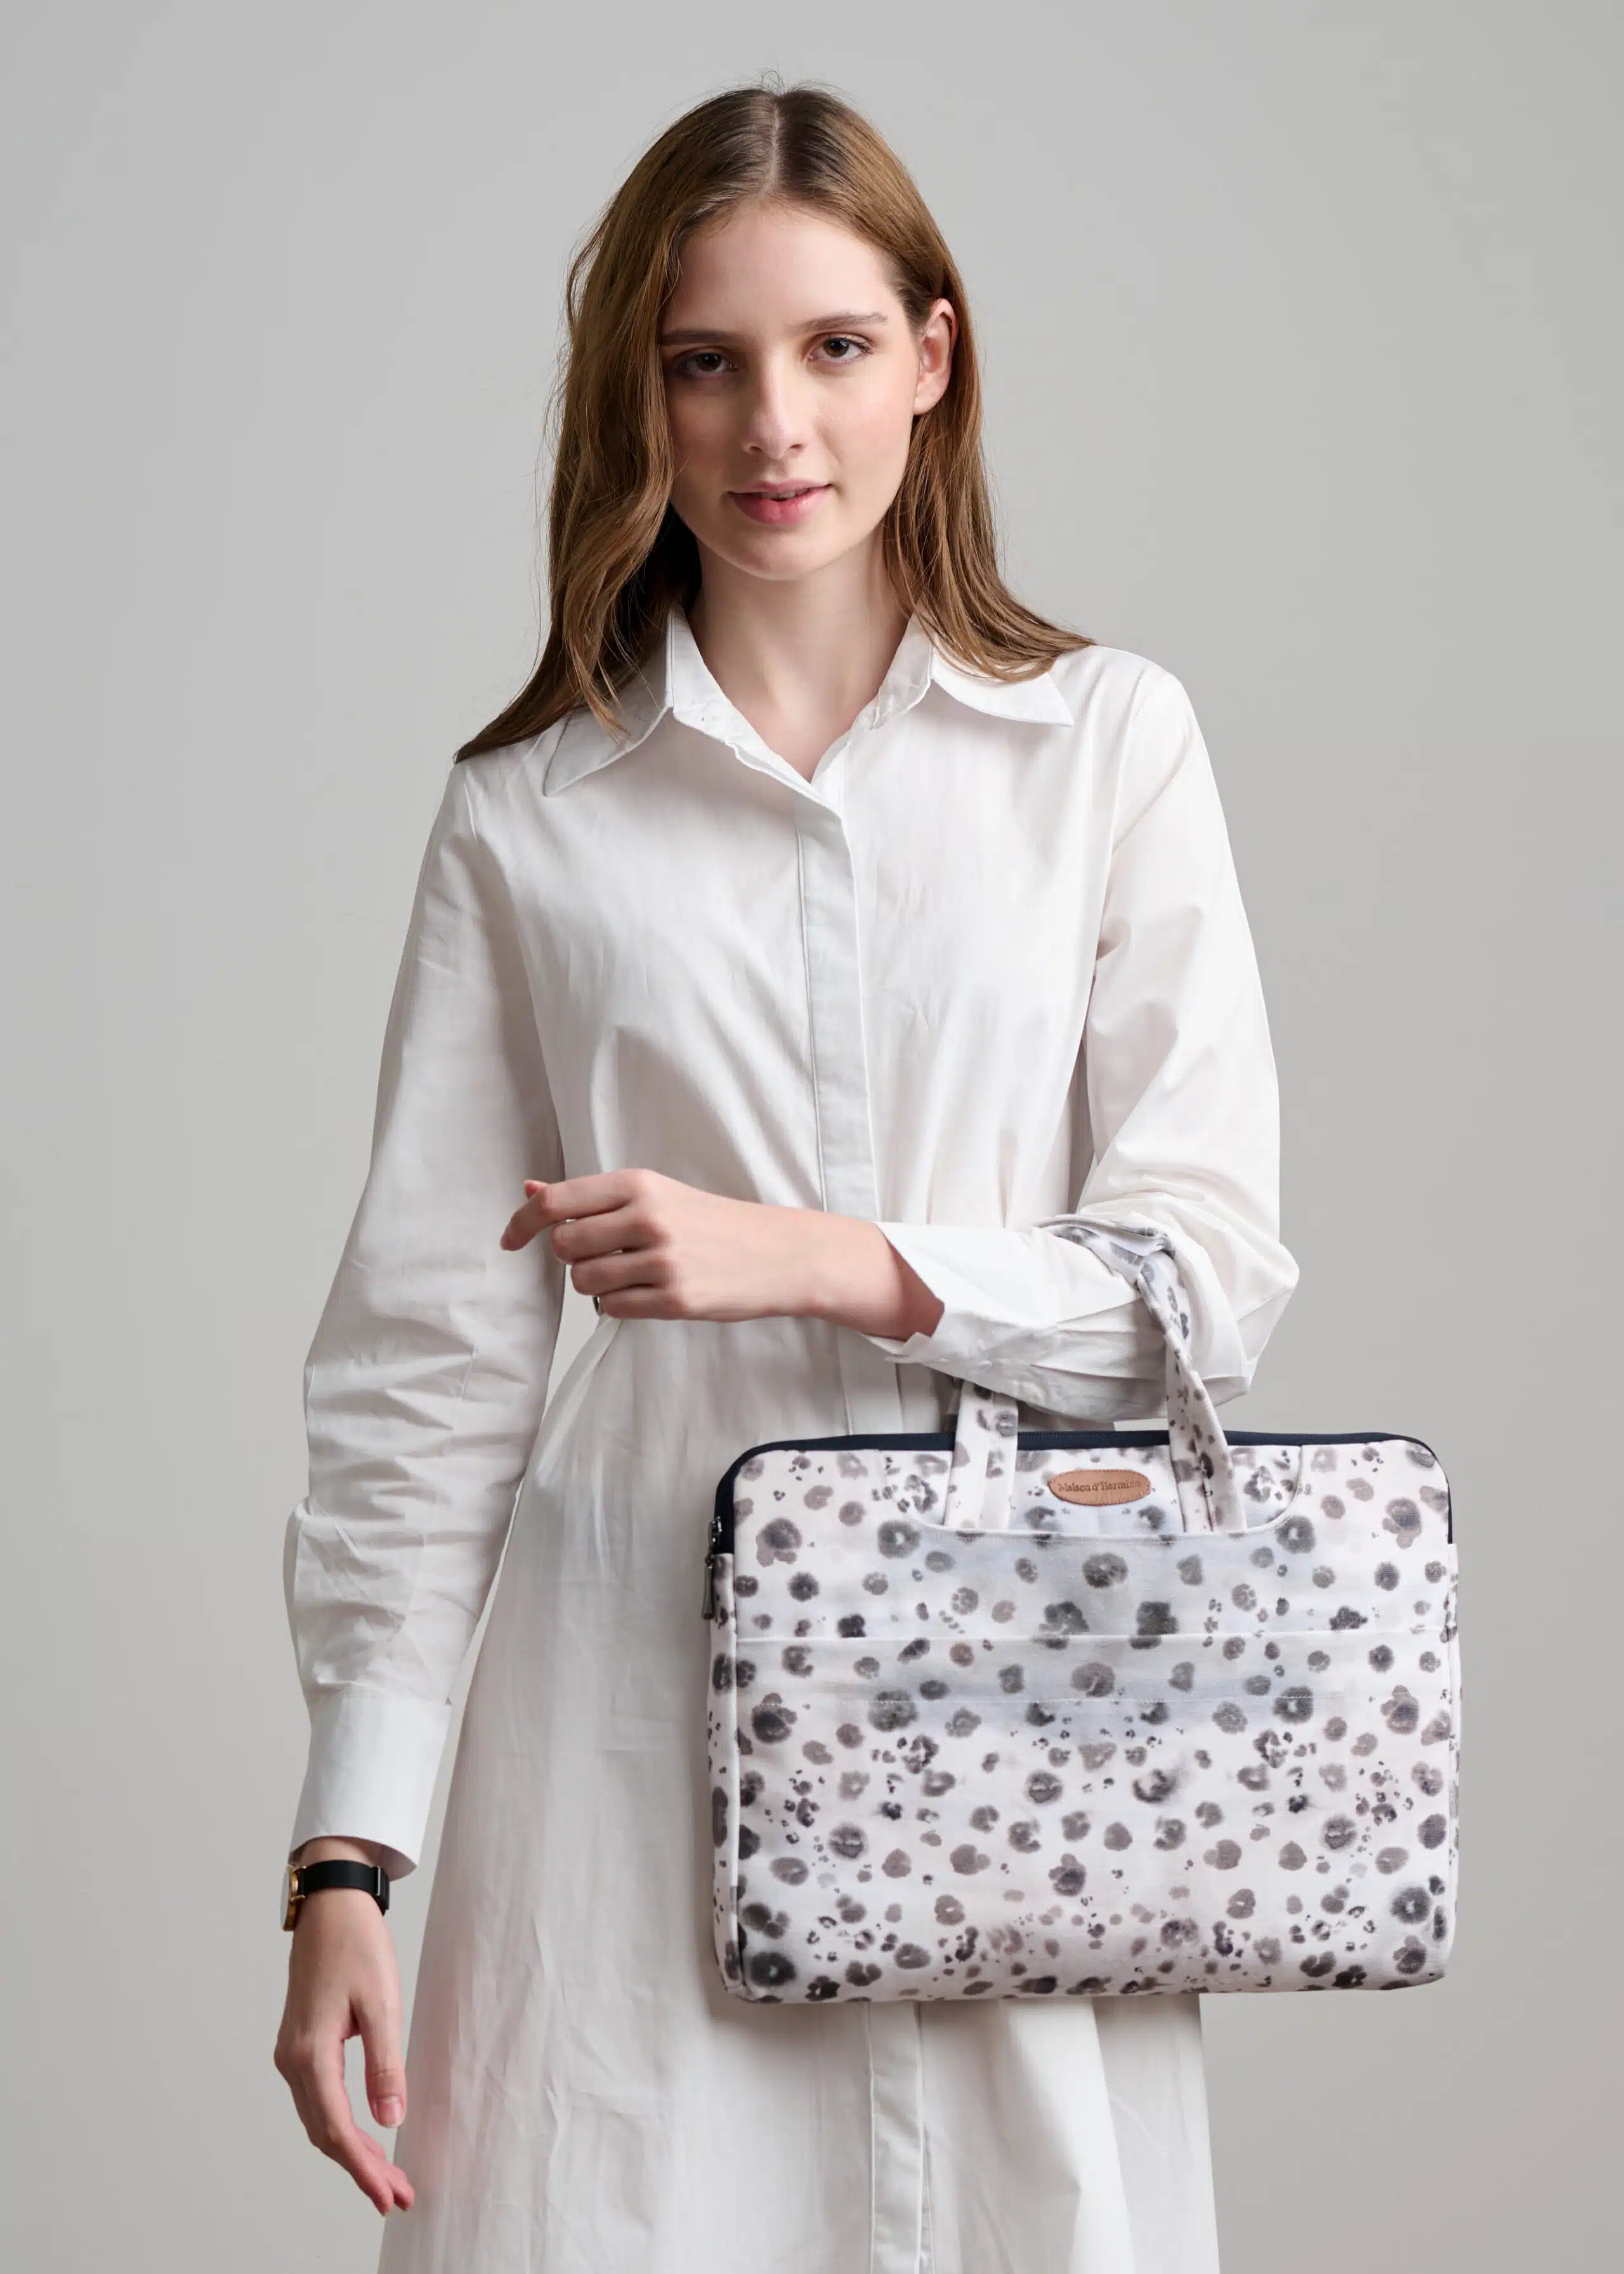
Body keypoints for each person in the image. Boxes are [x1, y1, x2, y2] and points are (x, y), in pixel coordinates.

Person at [273, 76, 1299, 2274]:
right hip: (625, 1730)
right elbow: (423, 1369)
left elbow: (1206, 1286)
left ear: (933, 354)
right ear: (635, 394)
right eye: (705, 362)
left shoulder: (1108, 746)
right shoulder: (530, 815)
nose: (774, 425)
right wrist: (347, 1859)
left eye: (833, 346)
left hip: (1023, 1706)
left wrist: (828, 1261)